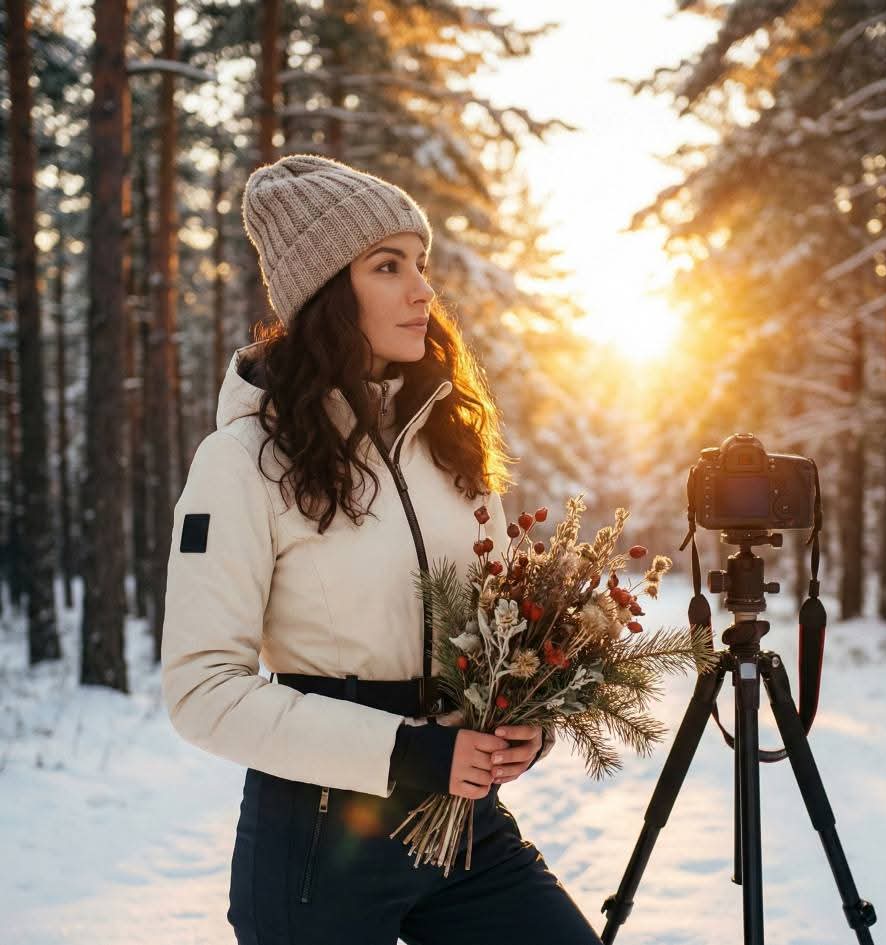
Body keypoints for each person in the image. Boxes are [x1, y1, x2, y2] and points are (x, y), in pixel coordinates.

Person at [160, 154, 602, 945]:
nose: (422, 290)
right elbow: (203, 690)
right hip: (319, 840)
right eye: (387, 266)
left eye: (421, 265)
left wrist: (518, 722)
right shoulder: (242, 462)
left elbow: (498, 632)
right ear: (328, 292)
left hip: (462, 824)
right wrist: (405, 751)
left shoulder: (450, 447)